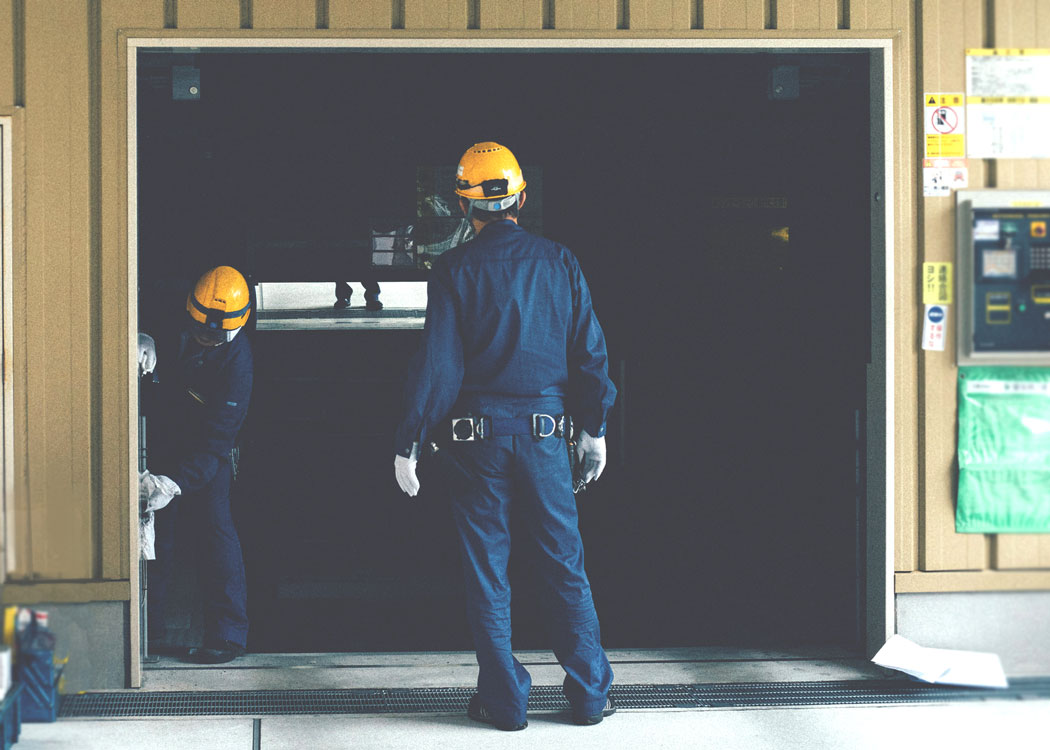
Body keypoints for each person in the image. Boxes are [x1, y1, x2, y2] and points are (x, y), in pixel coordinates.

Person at [393, 142, 618, 731]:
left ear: (467, 208)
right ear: (520, 197)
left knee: (487, 571)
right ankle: (590, 695)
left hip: (476, 445)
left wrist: (408, 441)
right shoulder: (560, 261)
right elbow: (590, 356)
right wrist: (593, 430)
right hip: (547, 439)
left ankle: (506, 702)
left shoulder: (451, 271)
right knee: (564, 565)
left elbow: (438, 366)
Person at [139, 265, 254, 664]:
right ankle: (145, 632)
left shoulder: (238, 366)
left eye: (213, 336)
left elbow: (217, 443)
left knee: (215, 533)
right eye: (198, 329)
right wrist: (144, 335)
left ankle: (227, 635)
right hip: (161, 432)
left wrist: (172, 483)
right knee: (155, 540)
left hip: (206, 452)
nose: (203, 338)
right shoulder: (172, 300)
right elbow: (132, 305)